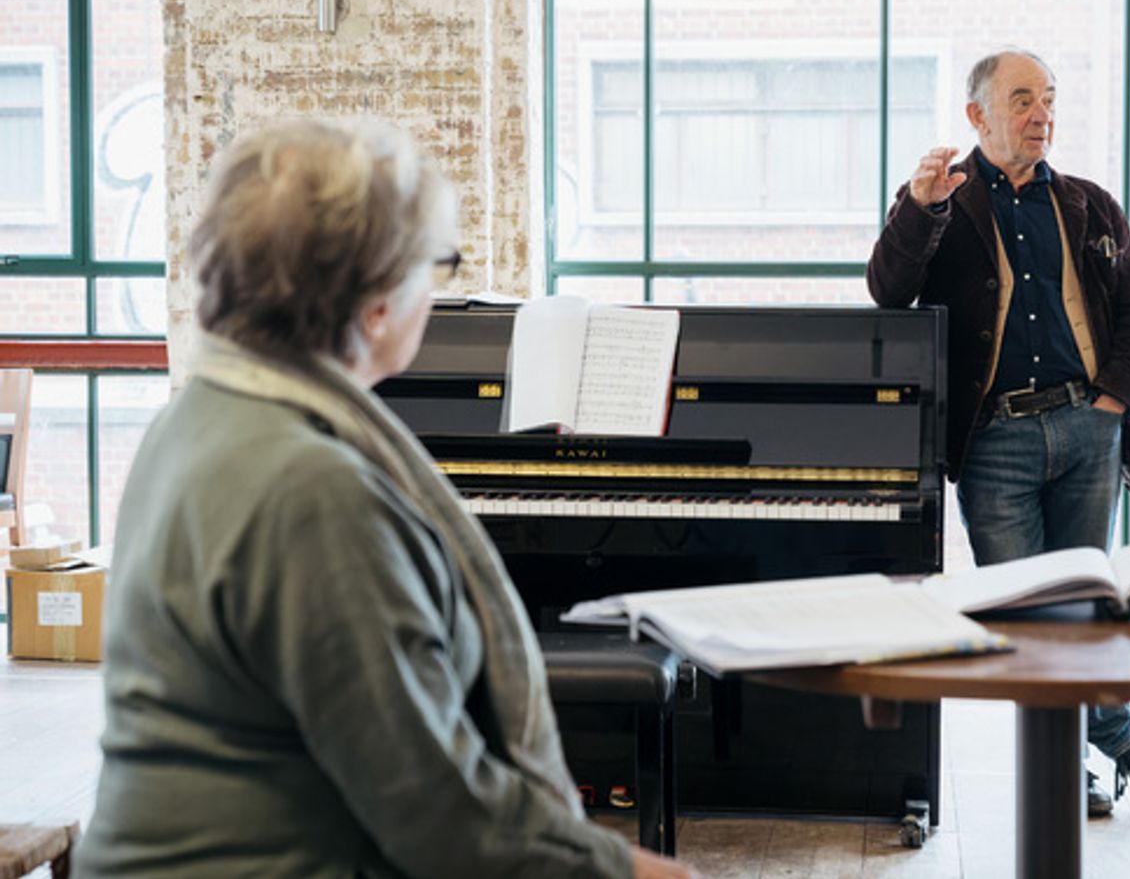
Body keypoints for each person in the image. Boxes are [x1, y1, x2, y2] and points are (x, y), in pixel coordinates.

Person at [77, 119, 694, 878]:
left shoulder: (197, 416)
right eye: (434, 265)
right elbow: (439, 815)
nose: (437, 287)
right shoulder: (311, 490)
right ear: (374, 307)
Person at [866, 49, 1130, 818]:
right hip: (994, 442)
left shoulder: (1089, 203)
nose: (1042, 115)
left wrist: (1116, 398)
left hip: (1088, 426)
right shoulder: (941, 202)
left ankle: (1103, 739)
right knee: (1025, 611)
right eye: (1021, 101)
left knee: (1084, 597)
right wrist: (919, 207)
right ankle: (1092, 743)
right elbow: (887, 291)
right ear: (977, 115)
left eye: (1048, 100)